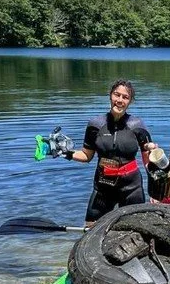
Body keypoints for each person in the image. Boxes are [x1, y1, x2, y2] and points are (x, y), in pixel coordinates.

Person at [62, 79, 157, 224]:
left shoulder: (137, 125)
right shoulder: (95, 124)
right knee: (91, 228)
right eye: (116, 95)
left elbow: (147, 162)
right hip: (103, 186)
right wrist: (65, 153)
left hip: (131, 187)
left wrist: (155, 189)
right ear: (110, 96)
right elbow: (86, 155)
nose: (119, 100)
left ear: (130, 101)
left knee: (137, 230)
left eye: (125, 97)